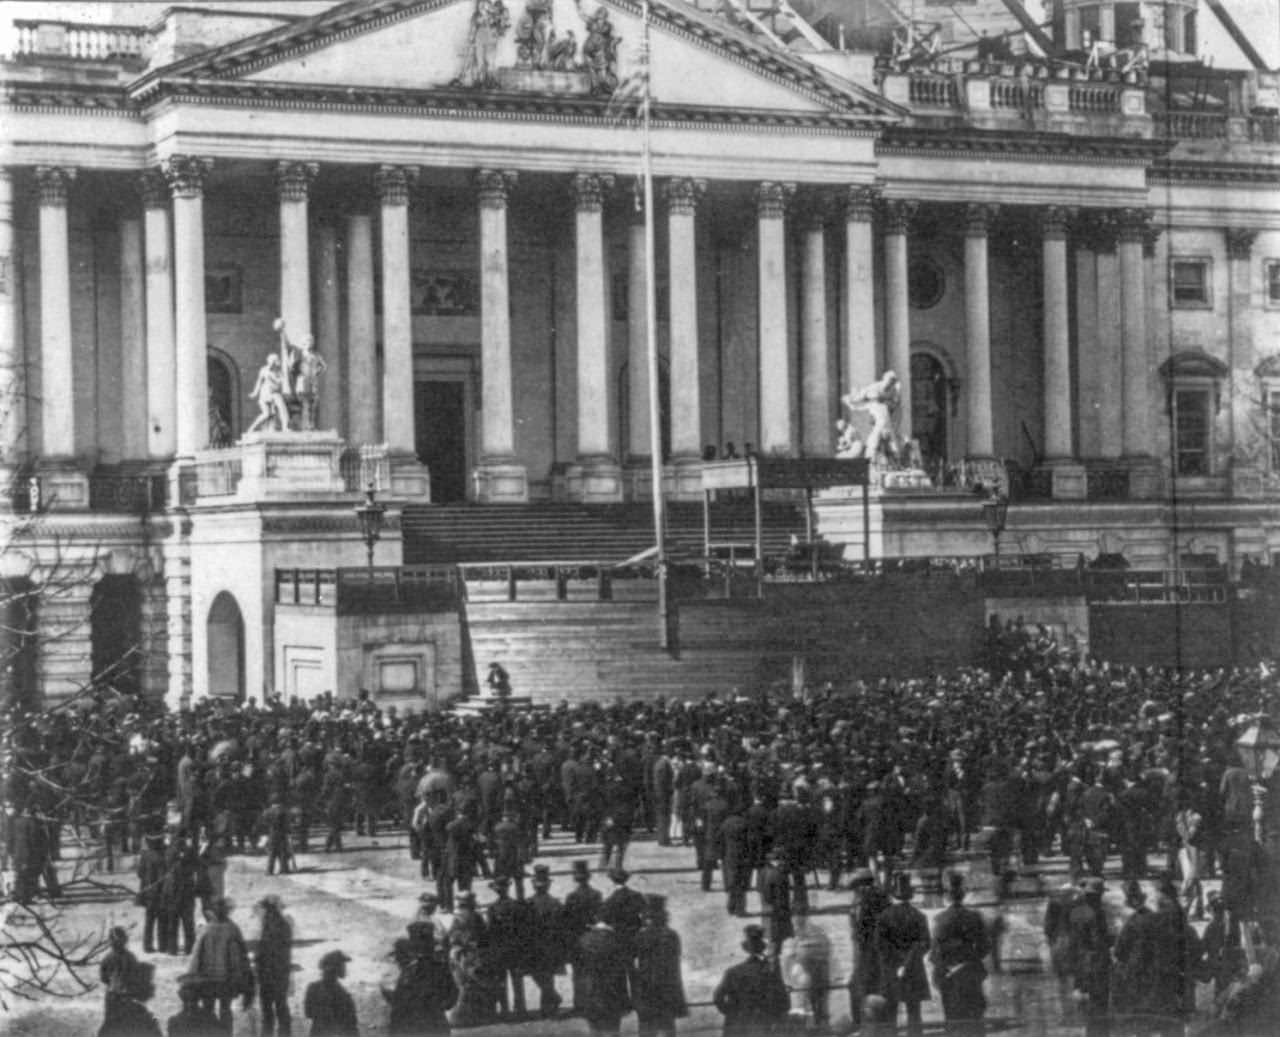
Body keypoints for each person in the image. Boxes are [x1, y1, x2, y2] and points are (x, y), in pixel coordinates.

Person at [930, 871, 989, 1036]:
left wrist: (943, 969)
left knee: (953, 1021)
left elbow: (935, 953)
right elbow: (985, 947)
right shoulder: (974, 917)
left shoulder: (940, 919)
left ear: (948, 897)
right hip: (971, 973)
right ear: (963, 896)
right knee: (976, 1020)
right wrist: (970, 959)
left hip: (949, 977)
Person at [875, 872, 932, 1037]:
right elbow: (925, 944)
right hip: (913, 969)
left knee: (890, 1013)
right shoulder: (919, 916)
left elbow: (880, 945)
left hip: (890, 969)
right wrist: (908, 961)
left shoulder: (884, 917)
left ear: (893, 895)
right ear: (910, 896)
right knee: (914, 1013)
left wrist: (896, 962)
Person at [187, 895, 254, 1030]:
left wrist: (191, 979)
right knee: (225, 1011)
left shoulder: (205, 930)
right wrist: (246, 979)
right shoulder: (233, 929)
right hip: (226, 980)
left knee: (208, 1011)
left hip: (207, 980)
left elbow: (195, 957)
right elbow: (242, 956)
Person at [713, 924, 790, 1036]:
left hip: (736, 1027)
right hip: (761, 1028)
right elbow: (785, 1004)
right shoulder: (770, 974)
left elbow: (717, 997)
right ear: (762, 948)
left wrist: (732, 1013)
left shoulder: (732, 972)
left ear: (745, 949)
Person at [386, 920, 457, 1036]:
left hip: (413, 1025)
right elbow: (452, 995)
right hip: (434, 1024)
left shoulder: (408, 970)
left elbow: (396, 1004)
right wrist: (439, 1007)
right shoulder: (440, 967)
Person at [632, 894, 687, 1037]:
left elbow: (634, 959)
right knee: (668, 1026)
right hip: (668, 987)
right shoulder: (672, 935)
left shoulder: (641, 936)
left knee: (647, 1028)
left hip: (647, 987)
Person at [576, 906, 633, 1037]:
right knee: (613, 1029)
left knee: (595, 1030)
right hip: (613, 992)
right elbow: (623, 971)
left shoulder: (584, 939)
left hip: (591, 991)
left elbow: (580, 969)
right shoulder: (617, 940)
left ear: (595, 920)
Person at [1067, 876, 1113, 1037]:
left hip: (1082, 962)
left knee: (1089, 1006)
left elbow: (1073, 942)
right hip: (1097, 963)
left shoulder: (1076, 911)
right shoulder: (1097, 914)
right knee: (1100, 1005)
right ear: (1097, 896)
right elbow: (1098, 941)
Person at [99, 926, 161, 1037]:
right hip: (126, 996)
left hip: (113, 995)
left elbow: (103, 978)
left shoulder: (107, 958)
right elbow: (135, 975)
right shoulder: (130, 957)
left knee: (112, 1023)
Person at [848, 868, 888, 1029]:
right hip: (882, 953)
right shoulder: (884, 898)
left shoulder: (863, 902)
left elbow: (859, 933)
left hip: (867, 953)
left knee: (857, 987)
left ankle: (861, 1025)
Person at [526, 863, 566, 1018]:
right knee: (548, 976)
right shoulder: (555, 903)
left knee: (540, 975)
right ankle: (552, 1002)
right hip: (551, 945)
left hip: (535, 946)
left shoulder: (528, 903)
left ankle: (548, 1005)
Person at [782, 907, 832, 1031]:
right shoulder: (820, 935)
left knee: (804, 1008)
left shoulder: (792, 942)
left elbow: (786, 963)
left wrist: (787, 982)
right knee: (819, 1009)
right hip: (819, 976)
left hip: (804, 979)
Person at [255, 894, 294, 1037]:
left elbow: (265, 950)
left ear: (269, 909)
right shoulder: (283, 924)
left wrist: (258, 964)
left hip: (268, 972)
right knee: (281, 1006)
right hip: (280, 972)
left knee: (268, 1010)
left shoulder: (269, 925)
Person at [304, 950, 358, 1037]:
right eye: (342, 965)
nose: (344, 968)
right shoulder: (343, 995)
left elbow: (308, 1013)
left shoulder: (313, 988)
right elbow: (352, 1028)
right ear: (335, 968)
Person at [248, 353, 289, 433]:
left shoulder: (279, 371)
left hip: (275, 393)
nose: (278, 362)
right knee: (266, 414)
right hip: (265, 394)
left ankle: (285, 426)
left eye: (277, 360)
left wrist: (273, 377)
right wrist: (255, 392)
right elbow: (259, 382)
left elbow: (280, 381)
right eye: (276, 360)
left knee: (282, 408)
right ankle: (252, 428)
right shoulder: (264, 370)